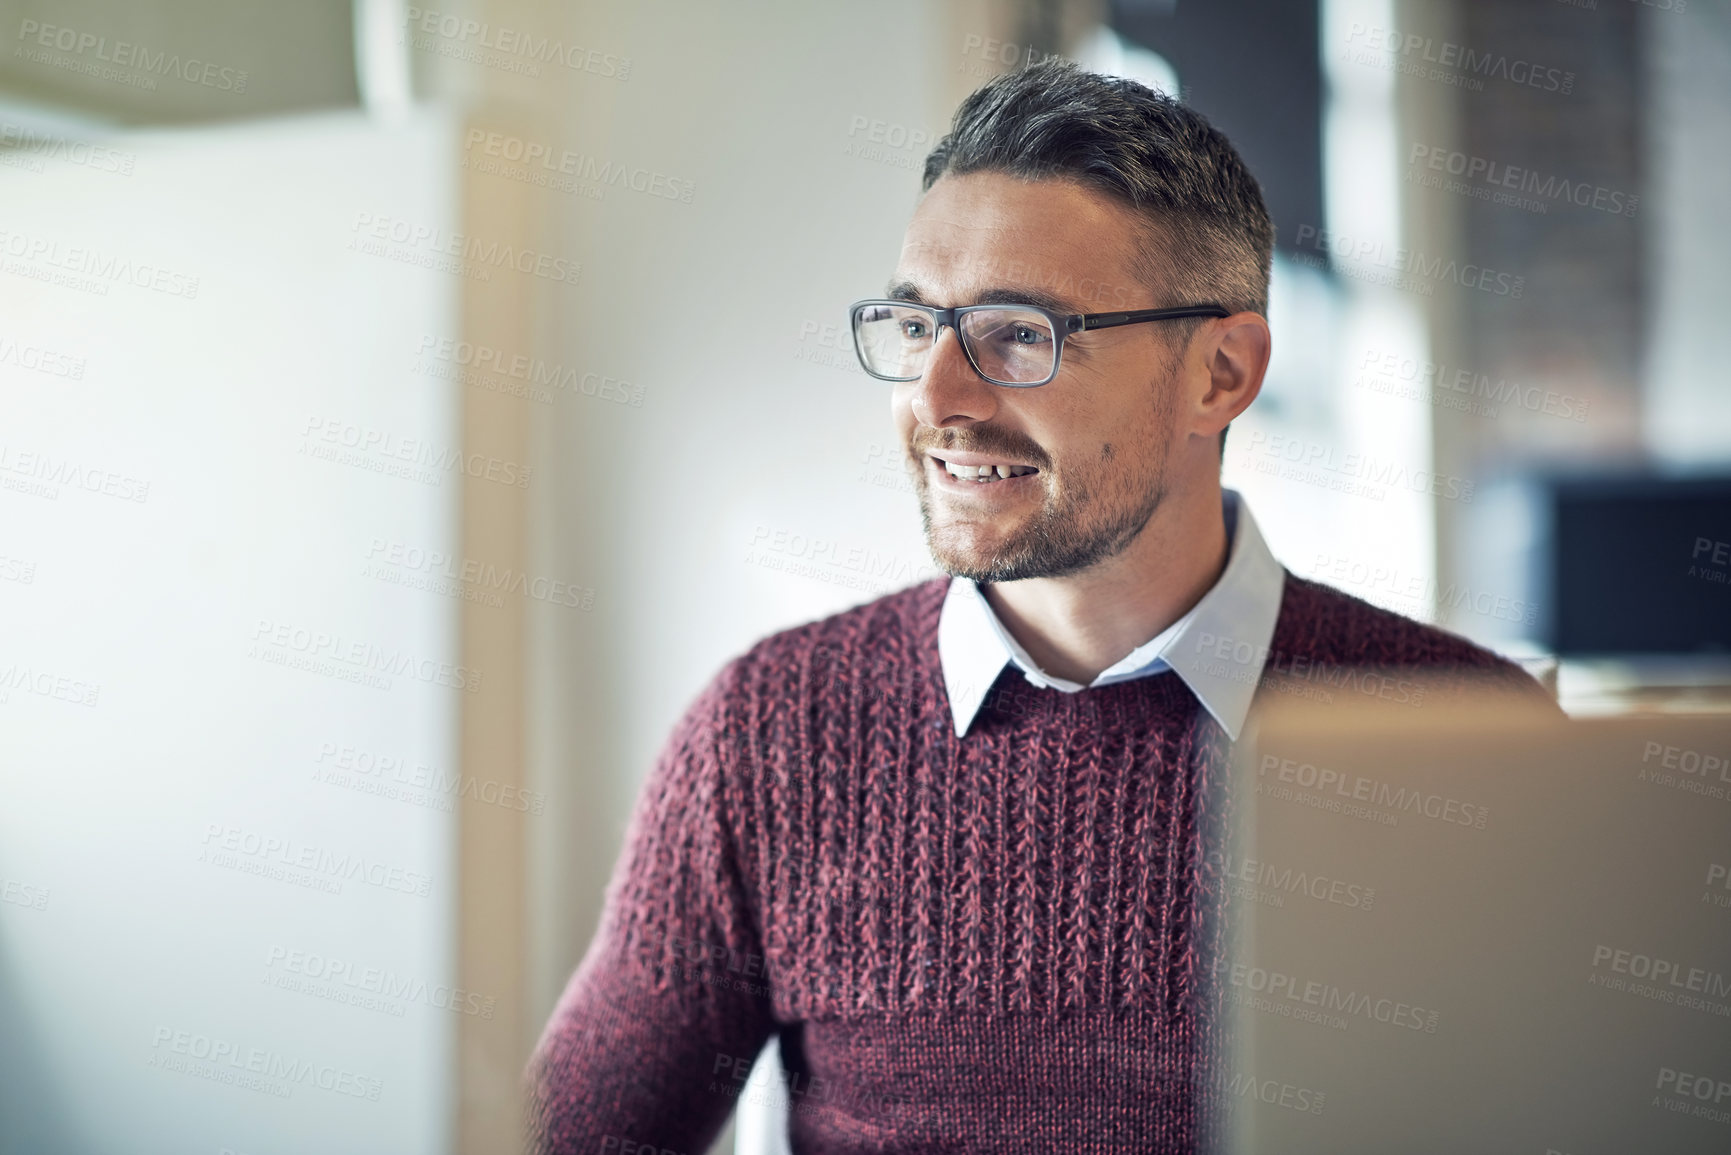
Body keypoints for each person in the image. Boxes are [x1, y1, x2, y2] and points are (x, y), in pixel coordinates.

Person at [526, 60, 1553, 1154]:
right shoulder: (769, 735)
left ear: (1221, 372)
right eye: (918, 326)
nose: (937, 399)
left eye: (1018, 335)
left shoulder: (1469, 740)